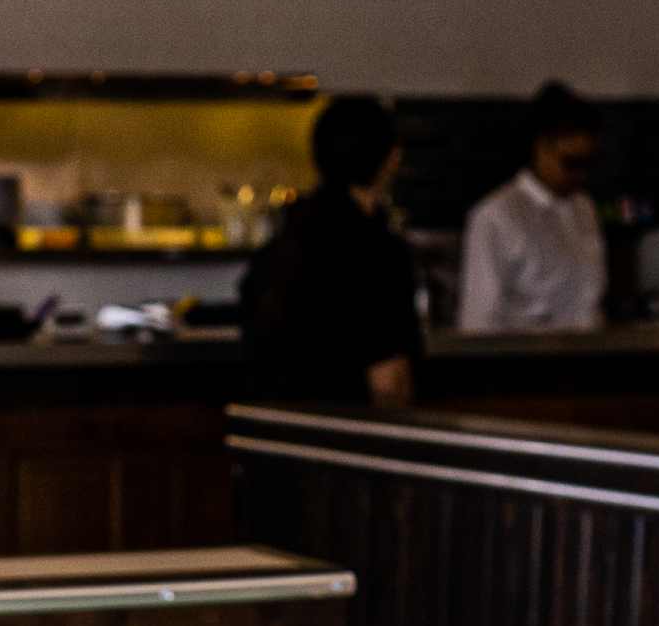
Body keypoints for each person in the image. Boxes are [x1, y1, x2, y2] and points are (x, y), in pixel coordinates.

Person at [242, 95, 421, 407]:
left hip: (277, 435)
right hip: (347, 435)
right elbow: (388, 382)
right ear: (391, 158)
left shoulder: (286, 238)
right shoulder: (378, 250)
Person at [458, 83, 605, 334]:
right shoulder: (496, 216)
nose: (580, 176)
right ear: (542, 147)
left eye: (587, 164)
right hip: (525, 363)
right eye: (571, 163)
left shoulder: (584, 208)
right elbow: (479, 320)